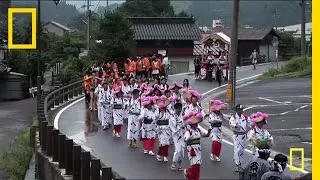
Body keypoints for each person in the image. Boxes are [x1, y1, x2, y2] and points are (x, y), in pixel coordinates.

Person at [183, 112, 210, 180]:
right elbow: (185, 139)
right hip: (192, 150)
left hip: (198, 149)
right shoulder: (188, 131)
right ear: (191, 124)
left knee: (198, 165)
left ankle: (193, 177)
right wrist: (187, 139)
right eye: (195, 123)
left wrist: (209, 131)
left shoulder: (198, 130)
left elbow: (206, 135)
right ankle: (188, 172)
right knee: (195, 165)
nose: (196, 124)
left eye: (197, 123)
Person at [229, 104, 252, 172]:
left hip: (243, 136)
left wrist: (254, 122)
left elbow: (250, 124)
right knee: (237, 150)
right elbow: (232, 124)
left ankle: (241, 164)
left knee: (242, 150)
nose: (240, 111)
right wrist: (236, 125)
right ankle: (237, 164)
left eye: (241, 109)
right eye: (239, 109)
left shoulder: (245, 117)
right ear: (236, 110)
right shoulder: (233, 117)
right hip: (237, 135)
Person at [169, 102, 185, 171]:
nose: (179, 110)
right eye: (177, 108)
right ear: (175, 109)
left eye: (180, 108)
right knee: (178, 150)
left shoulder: (183, 115)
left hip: (182, 135)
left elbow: (186, 124)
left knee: (182, 151)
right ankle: (173, 163)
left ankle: (180, 164)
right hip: (175, 135)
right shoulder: (172, 116)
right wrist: (178, 128)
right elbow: (172, 127)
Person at [155, 96, 172, 162]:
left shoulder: (168, 111)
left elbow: (171, 117)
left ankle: (165, 156)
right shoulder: (158, 111)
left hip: (167, 128)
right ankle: (159, 154)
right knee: (162, 142)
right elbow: (155, 118)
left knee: (167, 143)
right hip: (160, 129)